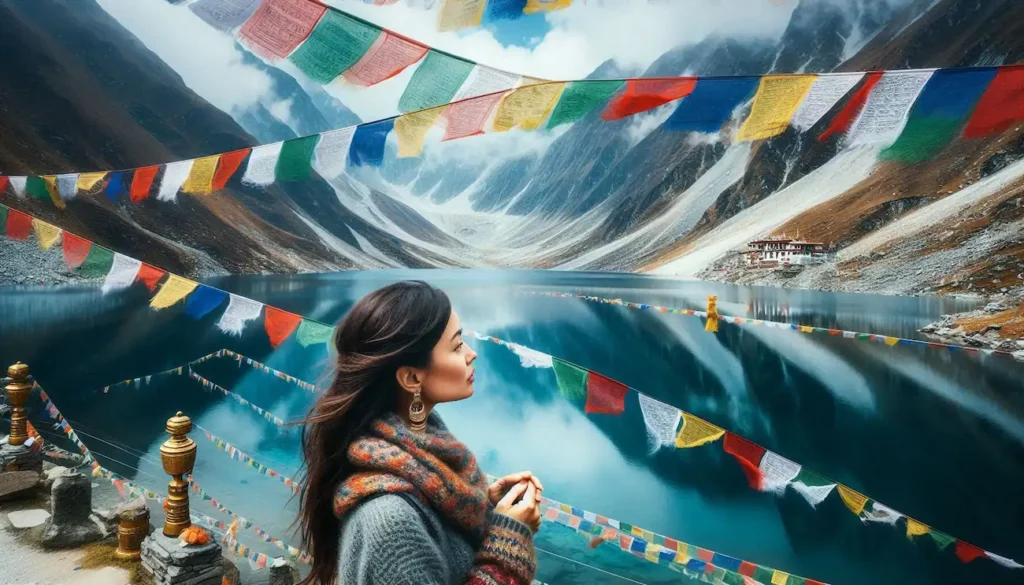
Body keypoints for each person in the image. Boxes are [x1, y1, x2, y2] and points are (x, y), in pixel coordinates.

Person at [296, 281, 543, 585]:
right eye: (456, 346)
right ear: (412, 377)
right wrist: (508, 542)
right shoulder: (391, 523)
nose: (471, 354)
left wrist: (482, 505)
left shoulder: (422, 459)